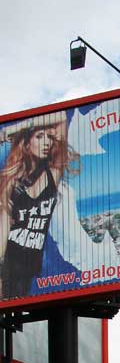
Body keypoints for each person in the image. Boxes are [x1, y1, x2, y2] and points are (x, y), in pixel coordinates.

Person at [0, 111, 71, 301]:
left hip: (30, 266)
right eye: (39, 136)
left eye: (49, 137)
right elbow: (3, 227)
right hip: (9, 264)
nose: (47, 142)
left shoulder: (52, 175)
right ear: (27, 143)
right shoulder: (12, 183)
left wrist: (17, 127)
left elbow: (62, 117)